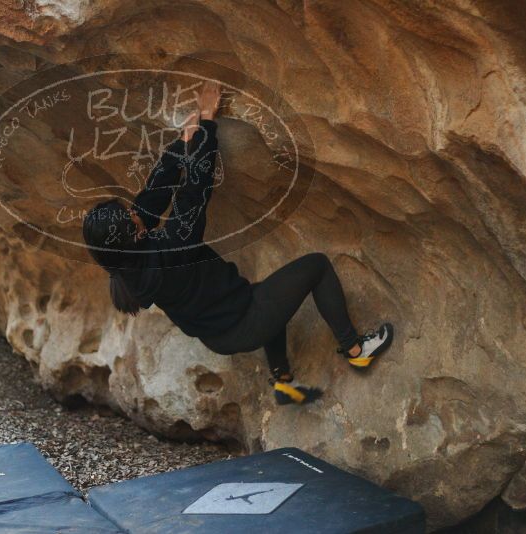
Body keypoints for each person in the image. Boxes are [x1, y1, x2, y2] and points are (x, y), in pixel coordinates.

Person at [82, 81, 394, 405]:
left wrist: (183, 143)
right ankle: (356, 350)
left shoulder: (127, 260)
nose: (134, 214)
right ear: (136, 235)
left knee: (271, 296)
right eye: (131, 219)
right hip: (243, 320)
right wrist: (206, 121)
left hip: (220, 328)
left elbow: (152, 197)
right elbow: (194, 193)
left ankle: (283, 383)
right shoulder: (170, 251)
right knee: (316, 267)